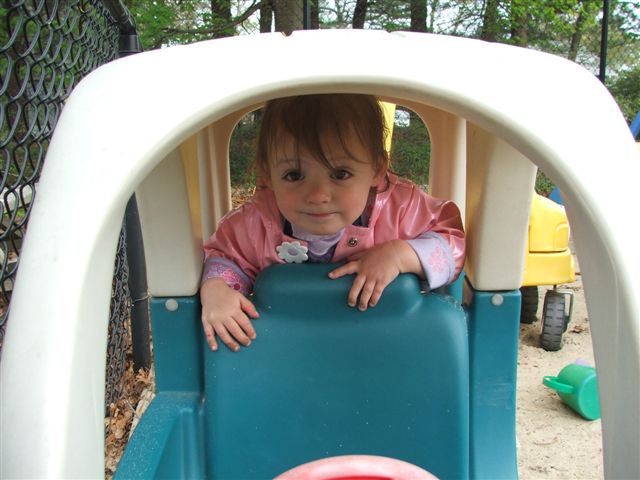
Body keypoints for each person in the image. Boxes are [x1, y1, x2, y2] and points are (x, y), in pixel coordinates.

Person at [200, 94, 465, 352]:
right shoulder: (255, 223)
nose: (318, 195)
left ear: (376, 169)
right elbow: (226, 257)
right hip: (291, 350)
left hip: (383, 346)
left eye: (340, 174)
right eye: (294, 175)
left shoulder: (400, 209)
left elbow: (451, 242)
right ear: (267, 173)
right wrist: (216, 290)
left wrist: (399, 255)